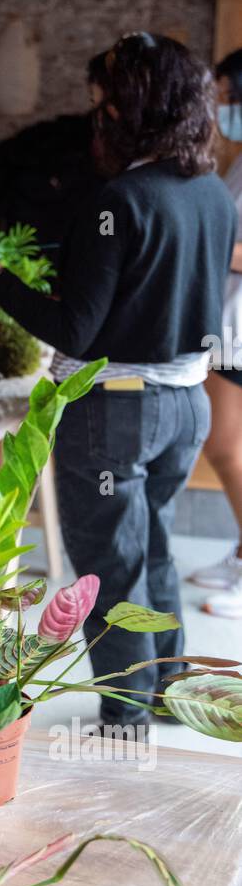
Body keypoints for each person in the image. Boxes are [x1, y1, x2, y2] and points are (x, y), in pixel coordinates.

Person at [0, 32, 237, 732]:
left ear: (133, 109)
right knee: (152, 548)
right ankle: (167, 694)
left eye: (102, 104)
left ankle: (124, 718)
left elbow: (75, 330)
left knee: (112, 568)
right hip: (183, 405)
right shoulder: (210, 192)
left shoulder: (121, 198)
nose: (97, 118)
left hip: (113, 410)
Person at [188, 48, 242, 616]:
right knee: (227, 445)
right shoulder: (238, 160)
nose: (222, 105)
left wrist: (200, 246)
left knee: (225, 447)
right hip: (228, 324)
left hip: (241, 328)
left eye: (228, 94)